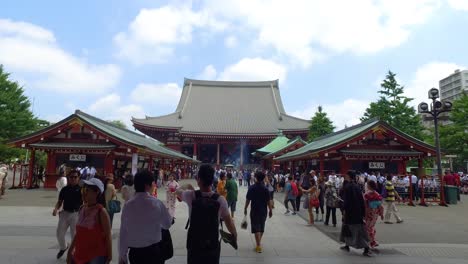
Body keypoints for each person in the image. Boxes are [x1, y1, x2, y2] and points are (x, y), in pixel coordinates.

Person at [177, 164, 237, 264]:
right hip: (212, 244)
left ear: (199, 179)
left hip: (194, 244)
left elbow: (178, 191)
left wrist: (187, 186)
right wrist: (234, 235)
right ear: (212, 180)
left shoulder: (191, 195)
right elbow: (228, 221)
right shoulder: (220, 200)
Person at [119, 170, 172, 264]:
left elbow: (123, 232)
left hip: (135, 253)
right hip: (154, 251)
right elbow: (167, 224)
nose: (154, 186)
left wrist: (122, 256)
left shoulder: (128, 206)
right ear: (147, 185)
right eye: (153, 183)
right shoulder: (157, 203)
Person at [67, 178, 112, 264]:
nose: (84, 193)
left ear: (97, 192)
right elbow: (79, 233)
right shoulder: (82, 209)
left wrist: (109, 256)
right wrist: (70, 251)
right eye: (82, 190)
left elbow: (108, 235)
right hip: (79, 254)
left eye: (87, 190)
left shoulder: (101, 212)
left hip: (96, 255)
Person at [340, 170, 371, 257]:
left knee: (355, 229)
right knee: (349, 228)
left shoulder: (348, 187)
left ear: (349, 176)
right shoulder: (357, 186)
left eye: (346, 175)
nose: (345, 177)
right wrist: (363, 211)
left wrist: (344, 210)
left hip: (350, 211)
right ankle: (347, 245)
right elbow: (361, 200)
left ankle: (366, 248)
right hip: (358, 211)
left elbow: (347, 201)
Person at [52, 170, 82, 259]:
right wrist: (56, 209)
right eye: (71, 177)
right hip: (65, 213)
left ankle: (73, 253)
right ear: (68, 178)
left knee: (74, 235)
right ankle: (63, 247)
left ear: (78, 178)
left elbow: (86, 202)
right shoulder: (64, 189)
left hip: (76, 214)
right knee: (59, 233)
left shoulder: (82, 190)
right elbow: (60, 201)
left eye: (75, 177)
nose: (73, 179)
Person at [244, 171, 273, 253]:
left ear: (255, 177)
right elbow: (269, 201)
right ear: (263, 178)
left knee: (256, 227)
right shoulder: (265, 189)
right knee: (261, 226)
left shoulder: (252, 188)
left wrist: (245, 208)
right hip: (263, 210)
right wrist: (270, 210)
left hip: (254, 210)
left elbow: (248, 200)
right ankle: (258, 243)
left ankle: (258, 245)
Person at [364, 180, 384, 249]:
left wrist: (364, 212)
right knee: (371, 227)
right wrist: (381, 214)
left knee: (368, 228)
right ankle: (372, 242)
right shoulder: (377, 194)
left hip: (369, 212)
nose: (366, 186)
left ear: (369, 186)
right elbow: (380, 205)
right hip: (375, 213)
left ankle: (372, 242)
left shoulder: (367, 194)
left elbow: (365, 204)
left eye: (367, 185)